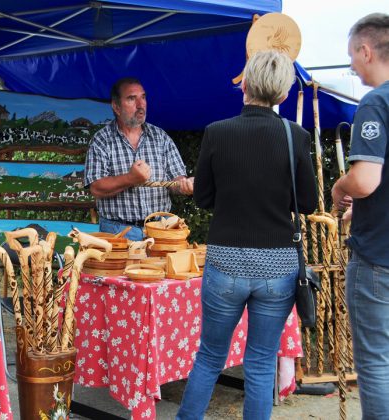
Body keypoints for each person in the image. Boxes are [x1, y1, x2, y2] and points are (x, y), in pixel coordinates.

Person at [176, 50, 317, 419]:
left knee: (209, 357)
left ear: (245, 87)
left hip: (225, 262)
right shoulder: (295, 136)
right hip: (277, 267)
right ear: (284, 94)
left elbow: (204, 198)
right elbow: (307, 202)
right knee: (259, 363)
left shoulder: (217, 132)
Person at [331, 13, 389, 419]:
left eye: (353, 55)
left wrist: (340, 188)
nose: (352, 65)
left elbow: (365, 180)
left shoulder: (376, 101)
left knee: (376, 363)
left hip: (379, 259)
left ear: (366, 51)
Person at [84, 77, 193, 241]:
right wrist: (130, 178)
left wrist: (184, 185)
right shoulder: (102, 140)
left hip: (160, 229)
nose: (141, 105)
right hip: (117, 232)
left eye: (143, 97)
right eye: (131, 99)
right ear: (116, 107)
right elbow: (96, 188)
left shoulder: (160, 137)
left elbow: (175, 181)